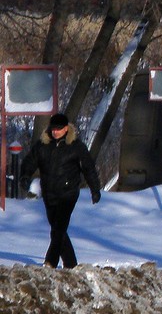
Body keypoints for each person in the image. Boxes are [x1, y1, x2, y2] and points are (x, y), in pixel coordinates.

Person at [21, 113, 102, 269]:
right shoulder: (42, 145)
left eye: (58, 129)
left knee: (58, 228)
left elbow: (88, 168)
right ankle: (71, 264)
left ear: (66, 129)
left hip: (68, 193)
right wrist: (25, 176)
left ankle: (50, 262)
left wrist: (95, 189)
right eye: (53, 129)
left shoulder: (76, 147)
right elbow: (29, 162)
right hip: (49, 193)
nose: (55, 132)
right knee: (57, 229)